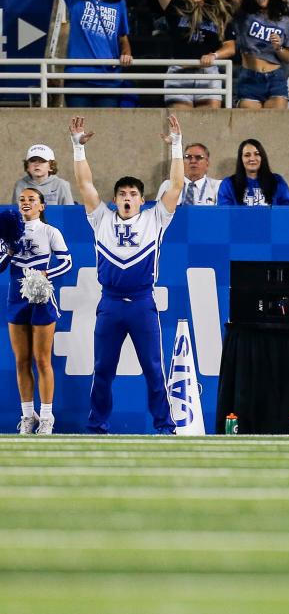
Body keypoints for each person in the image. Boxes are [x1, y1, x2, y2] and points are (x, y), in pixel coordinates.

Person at [70, 114, 183, 434]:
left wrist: (177, 146)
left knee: (153, 368)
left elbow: (176, 184)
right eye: (123, 194)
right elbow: (85, 185)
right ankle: (97, 424)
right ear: (116, 199)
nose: (128, 198)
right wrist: (78, 150)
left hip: (142, 303)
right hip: (111, 303)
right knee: (103, 369)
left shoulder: (156, 219)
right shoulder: (101, 219)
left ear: (142, 200)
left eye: (133, 194)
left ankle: (164, 425)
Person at [5, 186, 73, 435]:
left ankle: (46, 417)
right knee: (21, 360)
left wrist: (45, 275)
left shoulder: (49, 231)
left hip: (42, 297)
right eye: (21, 199)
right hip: (16, 298)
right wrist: (10, 249)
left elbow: (66, 261)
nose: (26, 202)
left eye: (32, 199)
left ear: (41, 206)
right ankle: (27, 416)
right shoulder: (7, 233)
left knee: (42, 359)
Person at [153, 0, 237, 109]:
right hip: (180, 70)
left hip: (208, 72)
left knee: (207, 130)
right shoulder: (176, 8)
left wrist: (214, 56)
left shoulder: (219, 12)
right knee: (180, 128)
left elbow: (230, 47)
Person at [217, 139, 289, 206]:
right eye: (247, 155)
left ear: (262, 157)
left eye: (257, 154)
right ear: (241, 159)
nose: (252, 158)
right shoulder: (228, 184)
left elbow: (288, 211)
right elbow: (225, 216)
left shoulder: (277, 181)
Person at [155, 142, 221, 206]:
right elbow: (158, 214)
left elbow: (224, 214)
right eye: (188, 157)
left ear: (207, 163)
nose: (193, 161)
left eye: (198, 157)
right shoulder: (168, 186)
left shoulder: (218, 187)